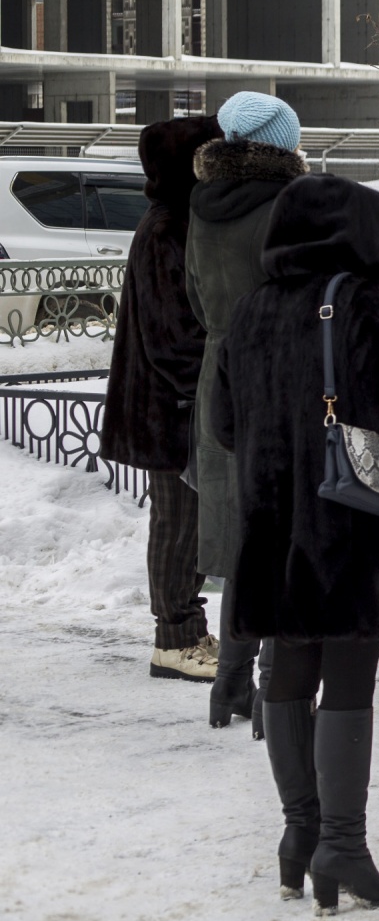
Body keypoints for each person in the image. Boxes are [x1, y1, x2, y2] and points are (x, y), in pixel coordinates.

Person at [215, 174, 379, 914]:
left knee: (291, 671)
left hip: (273, 522)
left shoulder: (252, 308)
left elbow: (223, 426)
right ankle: (344, 844)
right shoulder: (356, 302)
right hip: (349, 526)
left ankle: (299, 837)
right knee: (351, 681)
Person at [186, 92, 307, 734]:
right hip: (281, 379)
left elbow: (197, 301)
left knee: (242, 541)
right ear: (279, 146)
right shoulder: (291, 208)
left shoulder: (200, 208)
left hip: (220, 380)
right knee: (284, 539)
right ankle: (271, 694)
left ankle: (229, 685)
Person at [103, 114, 225, 689]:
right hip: (169, 407)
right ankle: (175, 639)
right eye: (208, 155)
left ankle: (186, 630)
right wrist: (209, 381)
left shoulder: (181, 220)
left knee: (189, 521)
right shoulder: (165, 229)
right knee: (178, 522)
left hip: (175, 403)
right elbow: (171, 333)